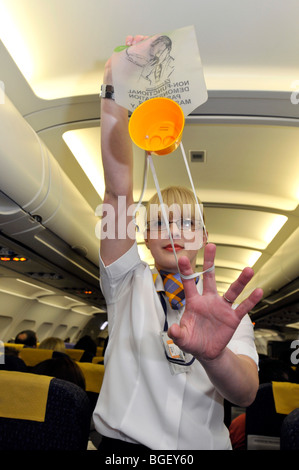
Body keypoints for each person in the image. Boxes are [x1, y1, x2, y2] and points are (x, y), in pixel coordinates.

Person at [93, 35, 263, 451]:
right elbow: (117, 194)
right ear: (145, 237)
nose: (172, 231)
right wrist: (114, 85)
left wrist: (215, 354)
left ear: (204, 238)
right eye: (160, 223)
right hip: (122, 451)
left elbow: (245, 395)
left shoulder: (229, 314)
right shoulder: (127, 284)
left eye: (186, 222)